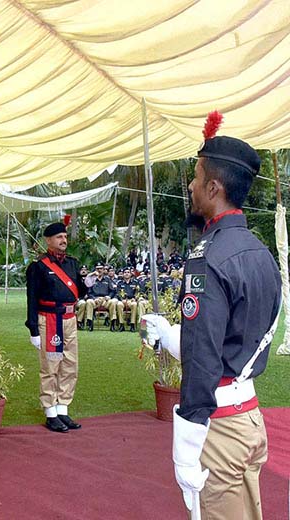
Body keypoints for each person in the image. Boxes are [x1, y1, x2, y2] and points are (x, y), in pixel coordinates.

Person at [142, 123, 280, 519]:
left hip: (218, 426)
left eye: (197, 177)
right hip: (249, 416)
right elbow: (235, 335)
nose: (190, 186)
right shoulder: (259, 253)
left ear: (214, 188)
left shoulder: (208, 257)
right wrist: (171, 335)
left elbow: (204, 358)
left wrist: (185, 449)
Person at [25, 220, 86, 433]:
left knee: (70, 365)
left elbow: (79, 291)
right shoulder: (38, 267)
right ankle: (50, 412)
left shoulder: (72, 263)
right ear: (48, 240)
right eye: (59, 237)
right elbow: (31, 299)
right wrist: (33, 329)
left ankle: (62, 409)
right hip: (49, 321)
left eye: (65, 237)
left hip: (70, 320)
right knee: (50, 367)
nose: (64, 240)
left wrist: (88, 284)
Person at [117, 267, 145, 332]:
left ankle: (132, 325)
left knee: (134, 304)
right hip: (122, 300)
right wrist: (121, 299)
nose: (126, 274)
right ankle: (121, 324)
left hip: (131, 300)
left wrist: (134, 298)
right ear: (123, 274)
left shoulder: (135, 282)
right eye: (125, 272)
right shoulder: (120, 283)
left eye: (128, 272)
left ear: (131, 274)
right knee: (119, 304)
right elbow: (118, 293)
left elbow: (138, 292)